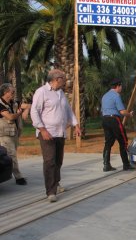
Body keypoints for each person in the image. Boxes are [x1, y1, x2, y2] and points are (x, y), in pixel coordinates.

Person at [30, 69, 81, 202]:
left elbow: (68, 110)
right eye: (63, 78)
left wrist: (76, 125)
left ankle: (56, 184)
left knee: (58, 161)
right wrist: (42, 130)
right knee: (49, 161)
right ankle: (51, 192)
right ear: (57, 79)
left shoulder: (61, 93)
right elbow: (34, 111)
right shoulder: (41, 92)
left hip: (60, 132)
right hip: (47, 132)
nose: (65, 81)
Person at [101, 78, 134, 172]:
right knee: (123, 141)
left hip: (105, 119)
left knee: (108, 143)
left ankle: (106, 165)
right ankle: (126, 164)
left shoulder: (105, 95)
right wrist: (129, 114)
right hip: (114, 119)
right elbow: (122, 111)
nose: (121, 88)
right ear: (118, 86)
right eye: (121, 86)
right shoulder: (116, 95)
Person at [0, 83, 27, 185]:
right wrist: (20, 113)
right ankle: (18, 177)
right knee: (12, 155)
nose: (13, 94)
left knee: (11, 155)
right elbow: (10, 117)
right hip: (4, 135)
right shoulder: (0, 104)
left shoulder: (14, 103)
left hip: (14, 134)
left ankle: (6, 173)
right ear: (5, 93)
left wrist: (26, 111)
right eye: (12, 92)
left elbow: (28, 105)